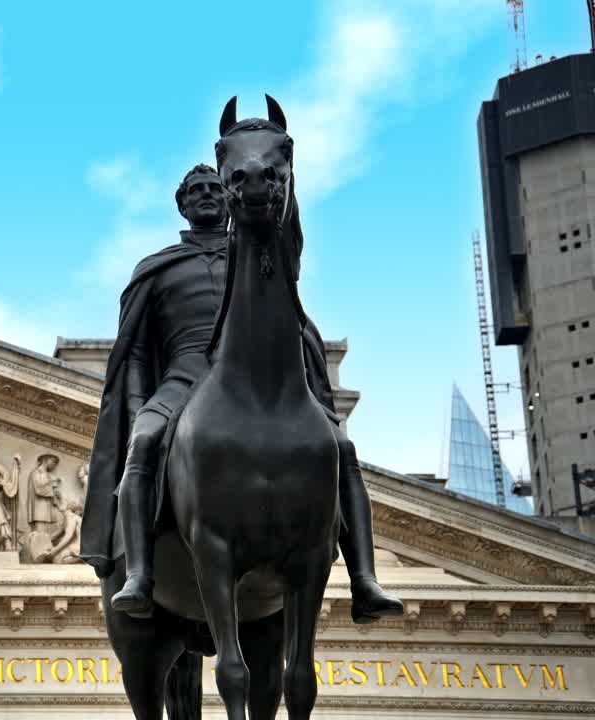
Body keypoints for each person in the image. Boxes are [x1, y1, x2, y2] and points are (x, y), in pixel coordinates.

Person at [81, 164, 403, 623]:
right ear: (183, 205)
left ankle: (363, 578)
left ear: (230, 197)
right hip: (181, 379)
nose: (208, 195)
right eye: (197, 191)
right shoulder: (157, 268)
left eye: (215, 188)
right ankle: (139, 573)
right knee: (145, 442)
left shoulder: (261, 257)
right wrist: (136, 410)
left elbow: (288, 298)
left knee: (341, 447)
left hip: (257, 380)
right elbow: (133, 350)